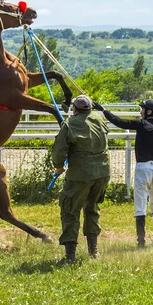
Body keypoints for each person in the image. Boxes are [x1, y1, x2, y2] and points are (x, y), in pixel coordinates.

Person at [92, 99, 153, 248]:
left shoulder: (140, 125)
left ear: (148, 111)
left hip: (142, 168)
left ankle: (141, 242)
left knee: (140, 206)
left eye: (142, 109)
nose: (141, 111)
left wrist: (103, 110)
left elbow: (119, 122)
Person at [52, 94, 110, 263]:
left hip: (80, 175)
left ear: (74, 109)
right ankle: (94, 252)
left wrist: (58, 166)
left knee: (70, 210)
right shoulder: (100, 119)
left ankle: (70, 256)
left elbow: (58, 151)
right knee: (92, 208)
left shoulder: (70, 124)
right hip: (102, 173)